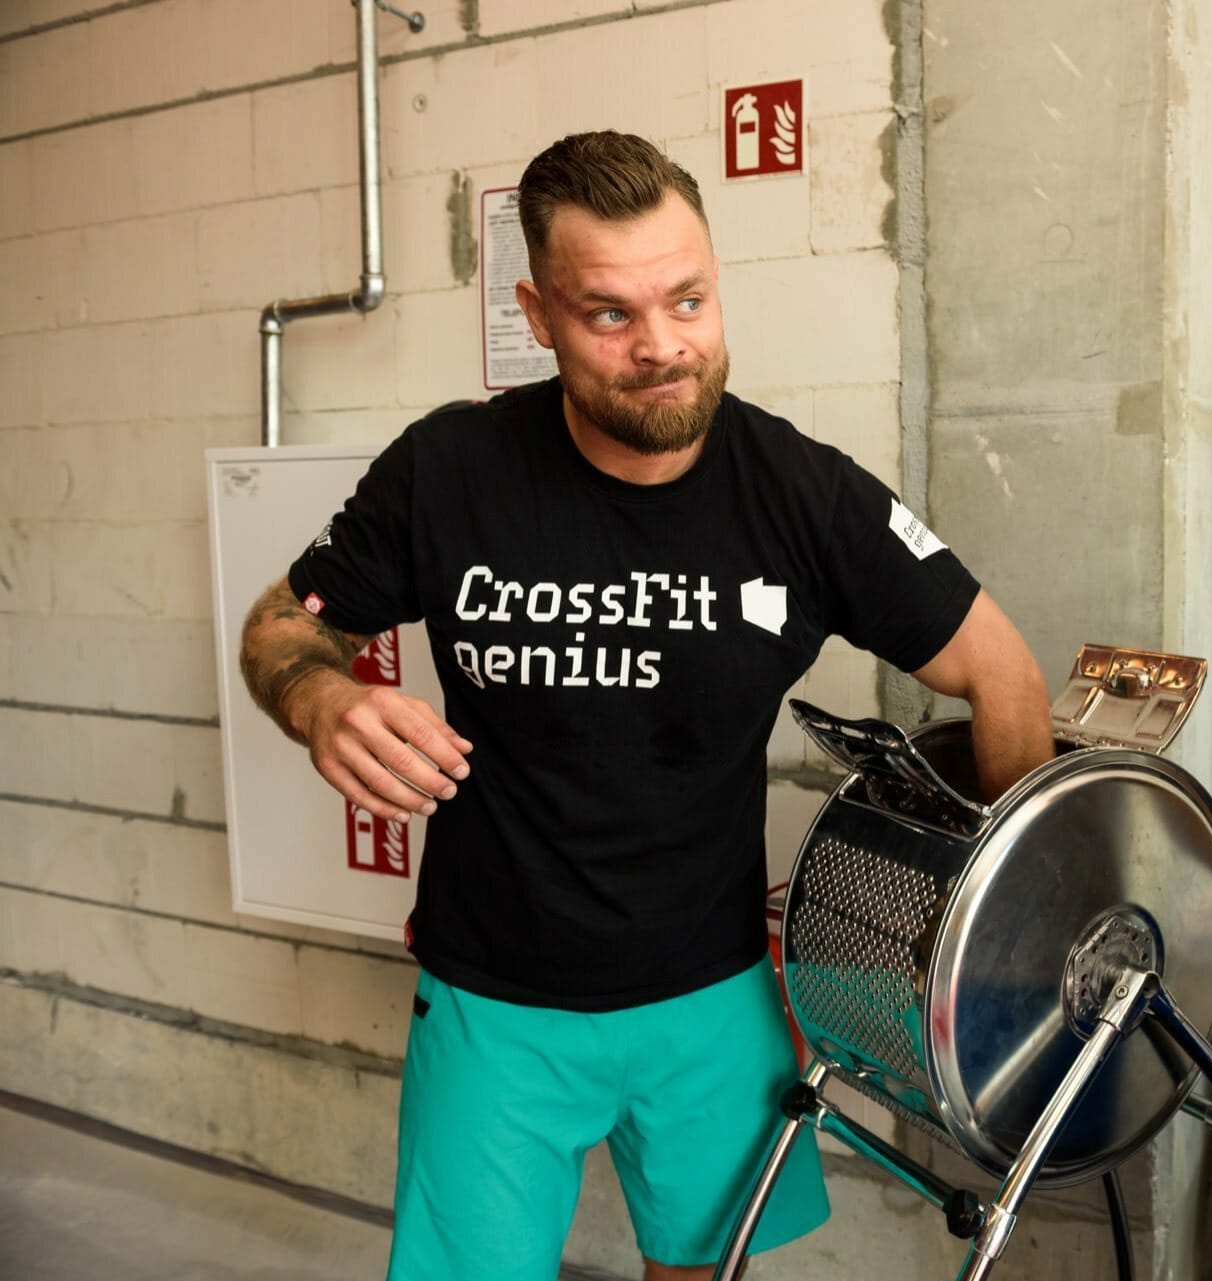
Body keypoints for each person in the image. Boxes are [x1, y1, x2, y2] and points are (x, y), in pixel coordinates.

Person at [238, 130, 1056, 1281]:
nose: (663, 346)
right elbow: (284, 625)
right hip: (492, 1001)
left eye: (688, 297)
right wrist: (321, 698)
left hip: (712, 999)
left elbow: (1003, 672)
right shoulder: (449, 470)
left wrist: (1003, 930)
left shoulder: (803, 493)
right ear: (538, 313)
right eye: (608, 314)